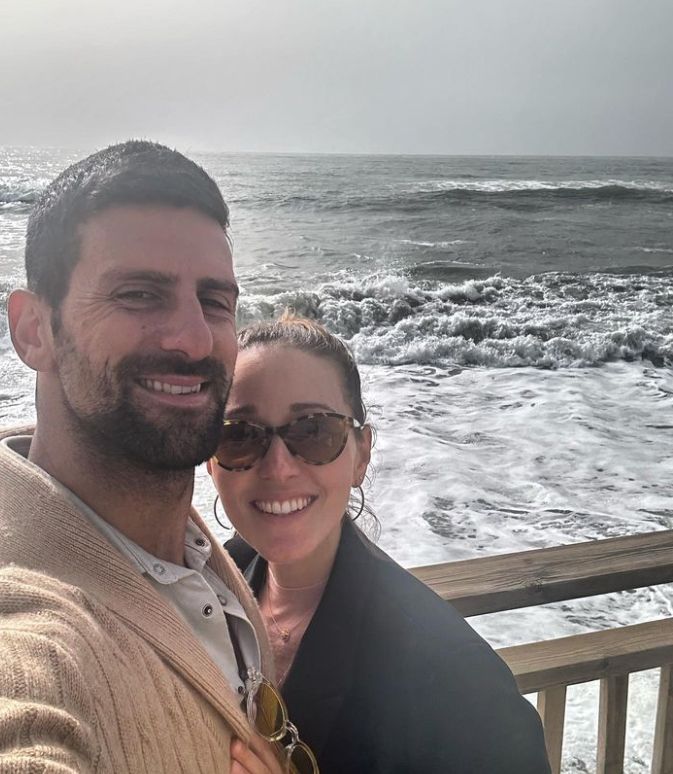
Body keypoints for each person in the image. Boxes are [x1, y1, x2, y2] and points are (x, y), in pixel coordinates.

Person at [0, 141, 296, 774]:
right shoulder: (32, 636)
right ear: (32, 330)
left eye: (215, 301)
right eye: (138, 294)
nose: (193, 339)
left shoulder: (188, 549)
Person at [208, 314, 552, 774]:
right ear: (210, 461)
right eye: (240, 435)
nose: (278, 468)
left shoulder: (453, 681)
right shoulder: (211, 595)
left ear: (361, 455)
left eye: (313, 430)